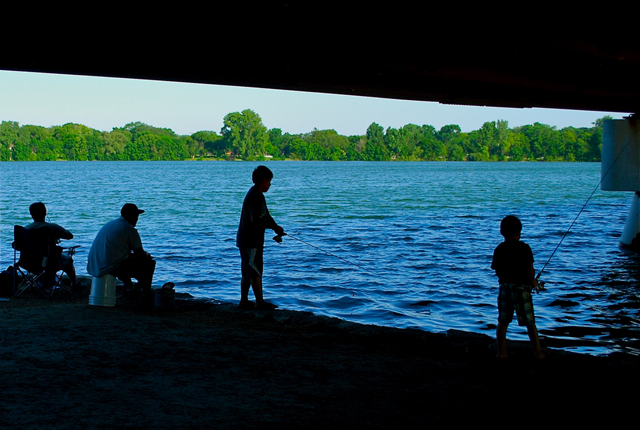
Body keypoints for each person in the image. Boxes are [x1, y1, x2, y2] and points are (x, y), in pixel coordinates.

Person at [491, 215, 545, 360]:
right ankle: (538, 352)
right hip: (521, 288)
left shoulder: (499, 249)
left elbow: (497, 271)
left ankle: (501, 352)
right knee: (529, 322)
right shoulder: (525, 248)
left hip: (504, 287)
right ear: (519, 232)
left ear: (501, 232)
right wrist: (533, 282)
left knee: (503, 321)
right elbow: (530, 270)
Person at [236, 166, 285, 310]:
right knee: (255, 270)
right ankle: (259, 302)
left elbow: (266, 215)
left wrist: (276, 226)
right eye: (269, 181)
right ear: (263, 180)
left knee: (247, 270)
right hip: (250, 241)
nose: (269, 185)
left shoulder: (257, 195)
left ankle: (244, 301)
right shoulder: (255, 196)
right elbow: (255, 220)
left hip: (247, 240)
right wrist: (273, 227)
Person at [87, 203, 156, 302]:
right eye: (136, 216)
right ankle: (146, 295)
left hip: (95, 264)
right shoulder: (129, 229)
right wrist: (147, 255)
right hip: (109, 266)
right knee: (149, 263)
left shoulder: (111, 224)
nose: (137, 219)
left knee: (125, 259)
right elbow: (139, 253)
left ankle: (130, 287)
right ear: (131, 217)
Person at [25, 202, 79, 287]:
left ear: (31, 214)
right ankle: (75, 283)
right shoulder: (52, 227)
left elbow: (17, 246)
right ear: (45, 213)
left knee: (43, 262)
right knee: (68, 260)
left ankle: (41, 281)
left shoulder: (25, 229)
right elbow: (70, 236)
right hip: (49, 263)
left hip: (28, 263)